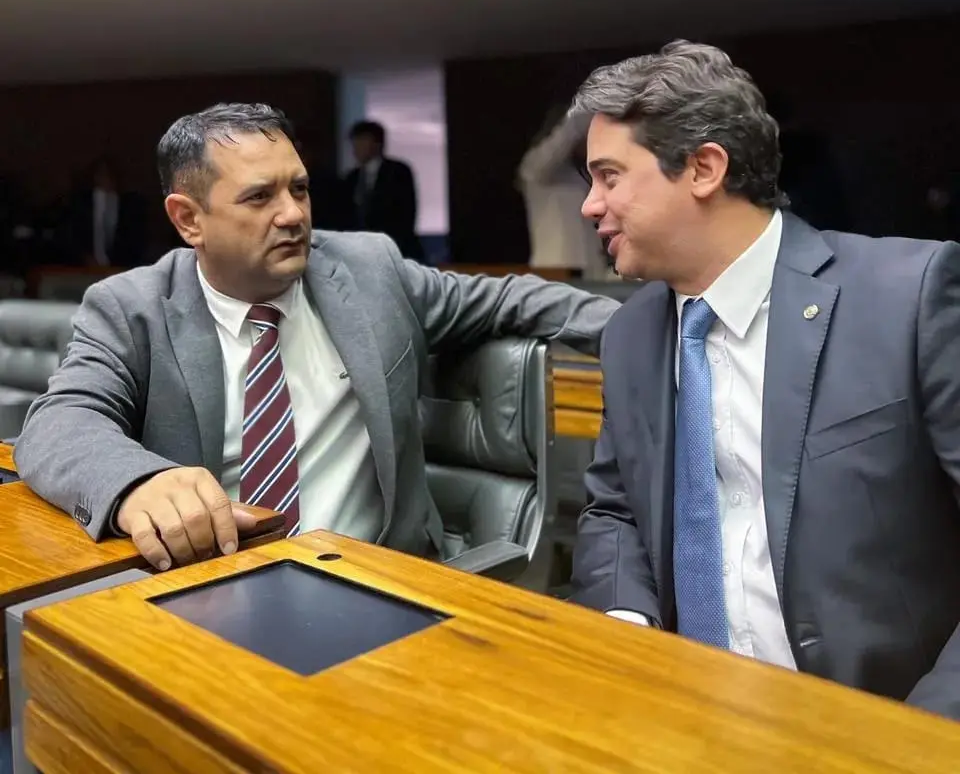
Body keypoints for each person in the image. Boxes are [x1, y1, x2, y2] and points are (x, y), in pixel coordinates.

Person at [16, 103, 620, 574]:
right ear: (189, 219)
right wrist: (139, 484)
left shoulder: (371, 270)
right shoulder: (132, 308)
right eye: (259, 196)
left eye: (299, 189)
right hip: (210, 592)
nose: (292, 215)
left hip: (384, 581)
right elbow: (58, 422)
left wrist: (645, 334)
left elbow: (513, 299)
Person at [569, 41, 960, 720]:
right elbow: (616, 508)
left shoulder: (908, 298)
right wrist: (626, 624)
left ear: (704, 168)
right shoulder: (631, 334)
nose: (588, 205)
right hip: (682, 713)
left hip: (882, 720)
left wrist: (922, 735)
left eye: (608, 176)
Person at [516, 106, 611, 280]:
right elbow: (564, 138)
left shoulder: (589, 174)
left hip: (592, 276)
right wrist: (585, 110)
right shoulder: (538, 169)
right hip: (555, 275)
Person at [343, 120, 424, 261]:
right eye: (355, 142)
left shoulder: (398, 171)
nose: (356, 147)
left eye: (362, 141)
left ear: (377, 144)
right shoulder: (352, 177)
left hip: (396, 250)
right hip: (361, 253)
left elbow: (406, 214)